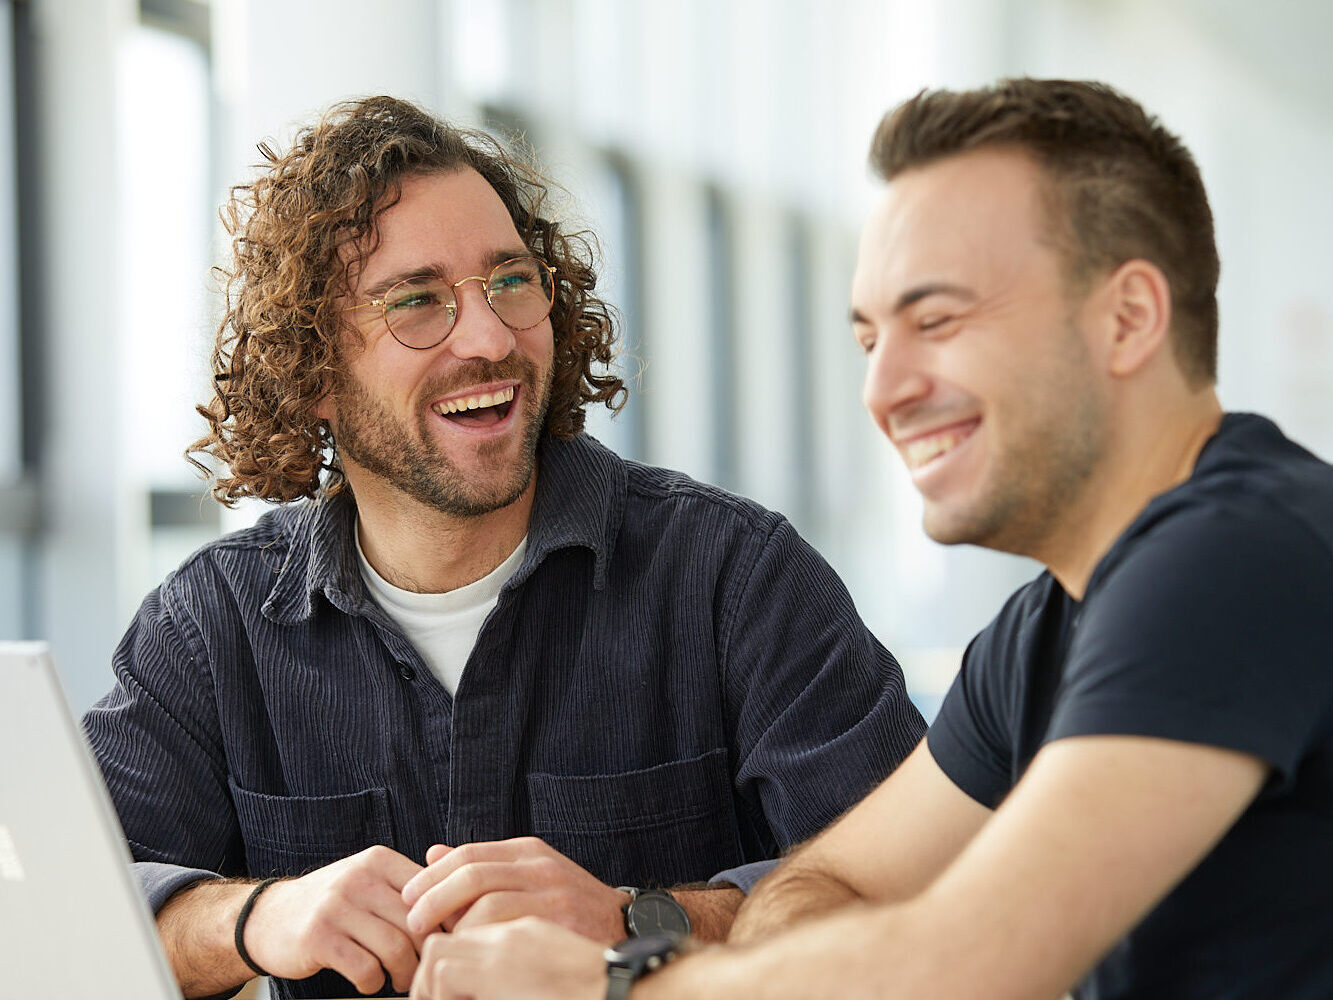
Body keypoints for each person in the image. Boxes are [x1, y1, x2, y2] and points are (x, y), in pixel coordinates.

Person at [406, 78, 1333, 1000]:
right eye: (868, 341)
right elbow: (832, 886)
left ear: (1127, 318)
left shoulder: (1237, 553)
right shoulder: (1039, 633)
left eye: (935, 321)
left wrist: (619, 983)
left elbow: (964, 959)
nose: (883, 391)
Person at [82, 96, 926, 1000]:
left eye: (512, 282)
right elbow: (71, 908)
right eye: (417, 302)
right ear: (313, 371)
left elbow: (914, 896)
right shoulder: (212, 626)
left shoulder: (735, 578)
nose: (489, 339)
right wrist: (256, 919)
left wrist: (640, 923)